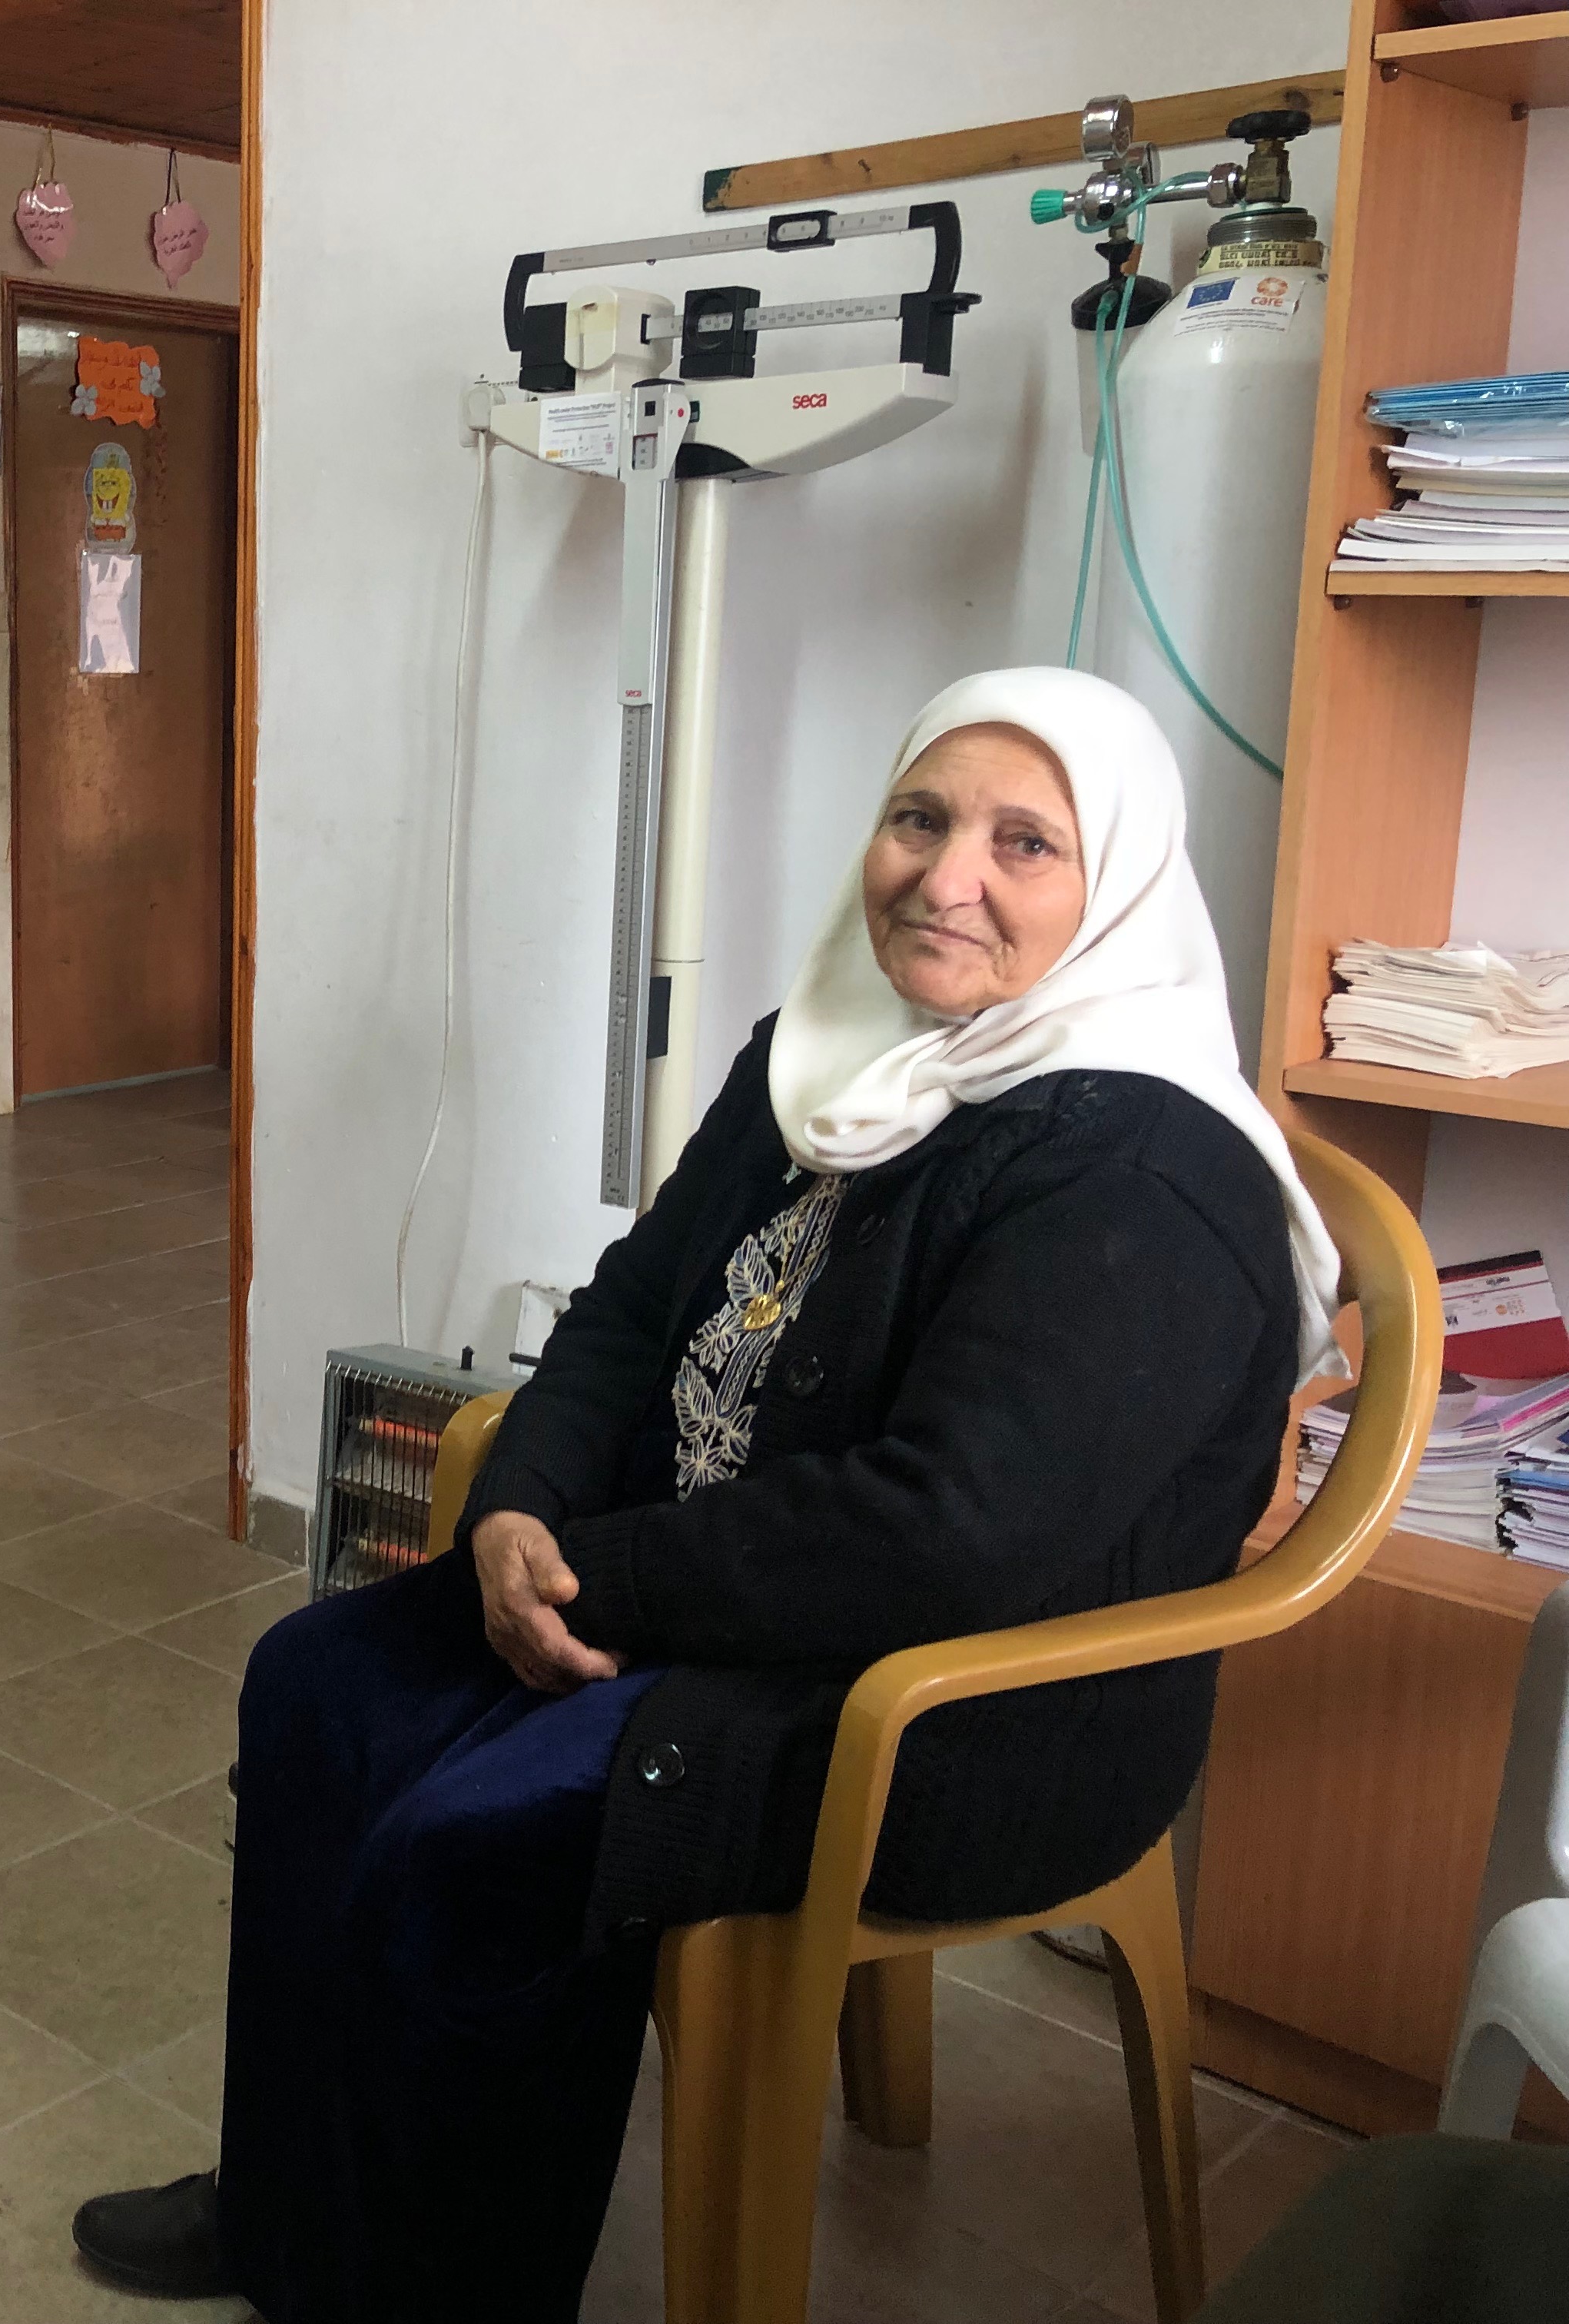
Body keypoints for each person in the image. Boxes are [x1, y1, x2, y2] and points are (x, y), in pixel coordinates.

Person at [71, 668, 1347, 2320]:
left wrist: (589, 1581)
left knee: (475, 1842)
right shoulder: (823, 1052)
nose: (946, 875)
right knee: (317, 1686)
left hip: (951, 1708)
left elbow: (947, 1531)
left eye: (1024, 845)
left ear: (1115, 898)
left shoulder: (1145, 1175)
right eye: (919, 818)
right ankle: (295, 2210)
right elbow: (627, 1306)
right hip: (703, 1595)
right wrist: (517, 1506)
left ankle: (429, 2289)